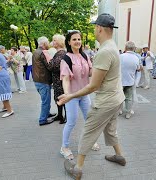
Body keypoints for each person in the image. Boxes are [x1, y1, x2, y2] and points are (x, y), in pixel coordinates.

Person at [58, 13, 126, 179]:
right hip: (117, 99)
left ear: (99, 29)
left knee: (88, 132)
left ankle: (78, 169)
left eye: (95, 27)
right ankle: (119, 156)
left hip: (106, 102)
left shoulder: (104, 51)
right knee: (110, 129)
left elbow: (94, 85)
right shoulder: (112, 46)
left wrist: (70, 96)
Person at [59, 30, 96, 160]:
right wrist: (68, 95)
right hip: (72, 96)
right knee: (71, 122)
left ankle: (88, 142)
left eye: (79, 39)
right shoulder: (66, 58)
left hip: (84, 94)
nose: (77, 42)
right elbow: (65, 79)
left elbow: (91, 73)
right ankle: (64, 147)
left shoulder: (85, 56)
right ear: (69, 42)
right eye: (74, 39)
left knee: (89, 119)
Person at [32, 36, 56, 126]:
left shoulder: (35, 51)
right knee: (46, 101)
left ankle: (47, 113)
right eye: (48, 42)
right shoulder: (43, 53)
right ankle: (43, 119)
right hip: (43, 80)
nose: (49, 44)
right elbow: (50, 66)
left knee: (45, 99)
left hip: (37, 79)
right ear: (44, 43)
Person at [45, 34, 67, 124]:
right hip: (58, 80)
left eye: (54, 40)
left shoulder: (61, 53)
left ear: (59, 42)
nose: (52, 42)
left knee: (62, 98)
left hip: (61, 80)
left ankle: (65, 116)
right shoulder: (59, 53)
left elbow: (53, 67)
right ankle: (60, 115)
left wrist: (48, 58)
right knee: (58, 98)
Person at [119, 41, 139, 119]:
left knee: (119, 97)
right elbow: (138, 68)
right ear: (133, 48)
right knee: (129, 98)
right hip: (130, 80)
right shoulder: (136, 58)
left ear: (125, 48)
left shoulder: (121, 56)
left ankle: (119, 110)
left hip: (121, 80)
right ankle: (128, 113)